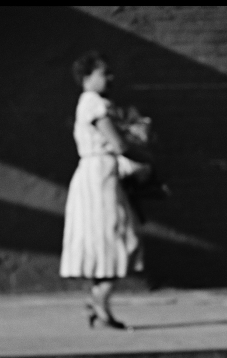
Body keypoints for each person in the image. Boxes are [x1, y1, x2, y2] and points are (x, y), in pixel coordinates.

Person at [60, 51, 146, 330]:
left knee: (111, 239)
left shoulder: (94, 104)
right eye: (103, 73)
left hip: (100, 175)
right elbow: (119, 144)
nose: (110, 78)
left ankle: (99, 301)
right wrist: (139, 144)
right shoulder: (93, 104)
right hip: (99, 179)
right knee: (117, 239)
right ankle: (99, 301)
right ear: (87, 77)